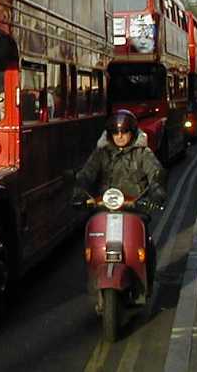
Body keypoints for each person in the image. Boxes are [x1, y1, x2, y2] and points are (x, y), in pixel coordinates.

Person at [75, 109, 166, 295]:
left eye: (124, 132)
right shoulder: (101, 153)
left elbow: (155, 172)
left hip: (135, 206)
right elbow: (87, 173)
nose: (120, 136)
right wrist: (78, 189)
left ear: (132, 132)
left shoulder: (143, 153)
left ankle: (145, 279)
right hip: (104, 206)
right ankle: (94, 276)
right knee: (91, 240)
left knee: (146, 244)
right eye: (115, 132)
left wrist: (157, 190)